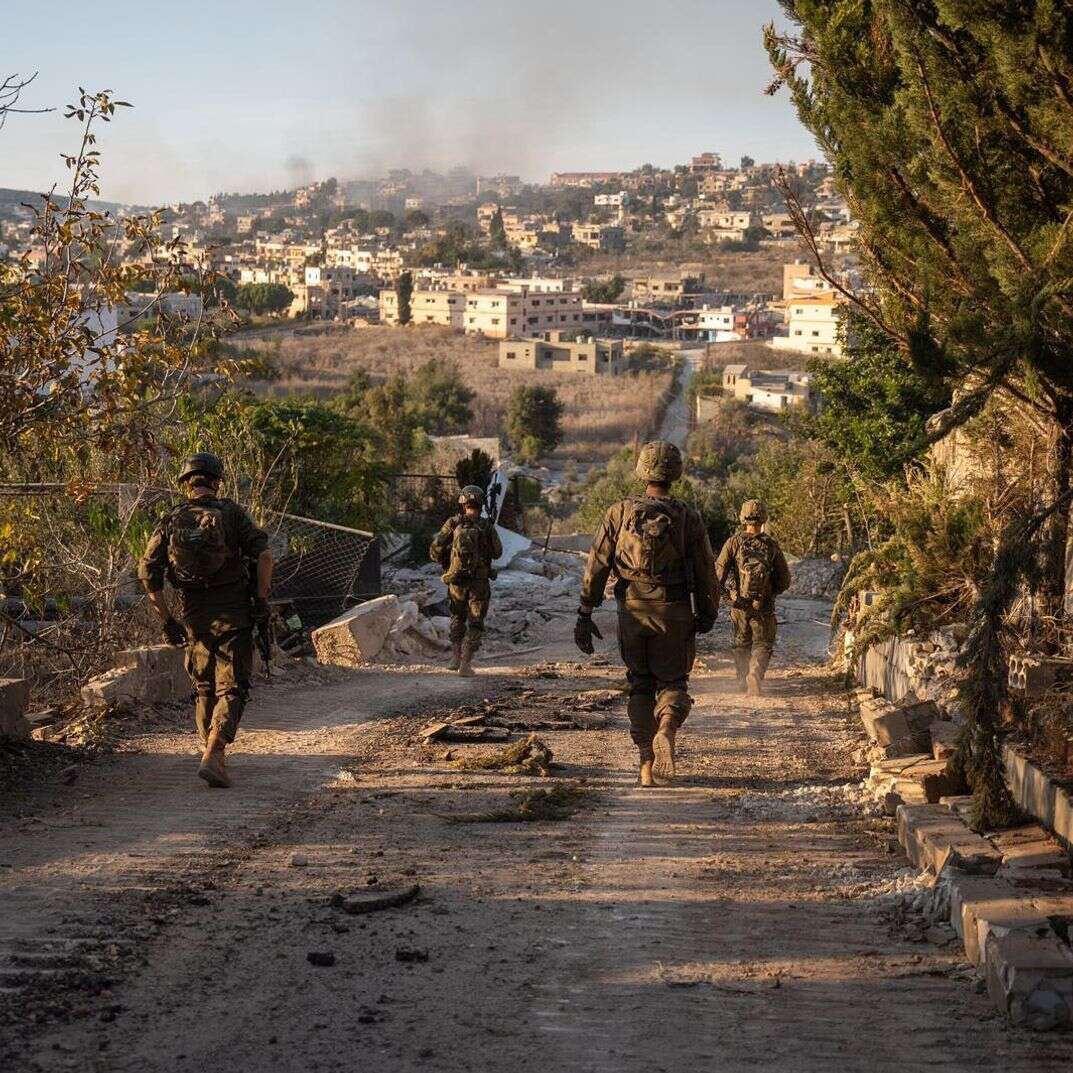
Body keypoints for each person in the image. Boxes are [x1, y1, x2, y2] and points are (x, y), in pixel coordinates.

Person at [575, 441, 717, 787]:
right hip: (675, 610)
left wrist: (585, 611)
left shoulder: (619, 512)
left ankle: (646, 764)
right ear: (675, 473)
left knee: (640, 683)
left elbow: (597, 564)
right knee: (674, 682)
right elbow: (706, 573)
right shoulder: (688, 517)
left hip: (633, 611)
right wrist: (707, 614)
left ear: (642, 471)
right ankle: (666, 727)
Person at [138, 452, 274, 788]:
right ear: (215, 482)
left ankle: (211, 752)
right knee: (233, 687)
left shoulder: (170, 519)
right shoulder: (231, 514)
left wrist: (166, 619)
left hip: (194, 616)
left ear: (186, 484)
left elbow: (147, 572)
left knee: (204, 687)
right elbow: (265, 556)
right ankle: (215, 750)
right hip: (235, 613)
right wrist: (261, 600)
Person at [714, 499, 791, 696]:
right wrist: (770, 592)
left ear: (742, 518)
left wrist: (728, 597)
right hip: (763, 606)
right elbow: (784, 580)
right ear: (764, 519)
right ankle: (755, 675)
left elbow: (718, 575)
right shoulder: (771, 545)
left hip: (739, 606)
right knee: (763, 644)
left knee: (741, 643)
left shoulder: (733, 542)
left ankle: (741, 680)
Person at [430, 485, 503, 677]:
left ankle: (454, 659)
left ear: (462, 503)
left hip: (456, 581)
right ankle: (466, 664)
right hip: (479, 582)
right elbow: (498, 553)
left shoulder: (452, 523)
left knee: (457, 617)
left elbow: (435, 549)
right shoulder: (486, 525)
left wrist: (447, 562)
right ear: (480, 504)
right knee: (476, 622)